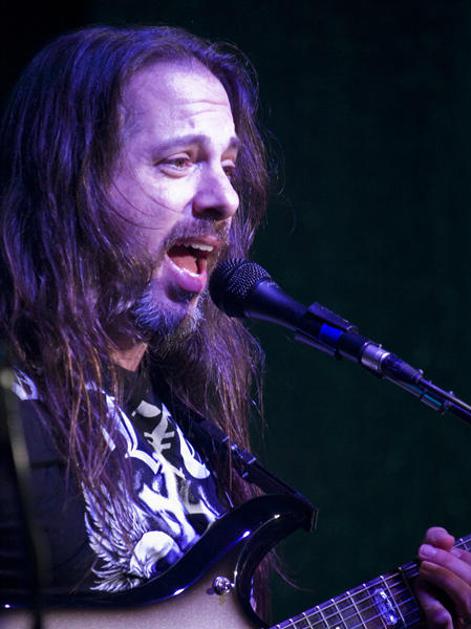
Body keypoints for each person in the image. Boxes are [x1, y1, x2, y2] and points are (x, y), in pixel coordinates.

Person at [0, 24, 469, 627]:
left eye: (227, 165)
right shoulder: (16, 416)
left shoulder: (190, 418)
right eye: (179, 162)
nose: (226, 198)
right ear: (68, 183)